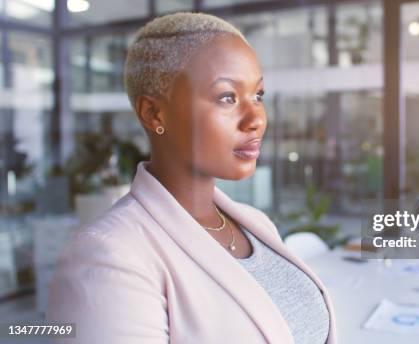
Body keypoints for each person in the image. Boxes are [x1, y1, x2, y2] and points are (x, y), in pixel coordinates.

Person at [47, 12, 336, 344]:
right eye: (227, 97)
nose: (255, 118)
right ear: (154, 113)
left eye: (258, 95)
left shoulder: (256, 224)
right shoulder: (109, 258)